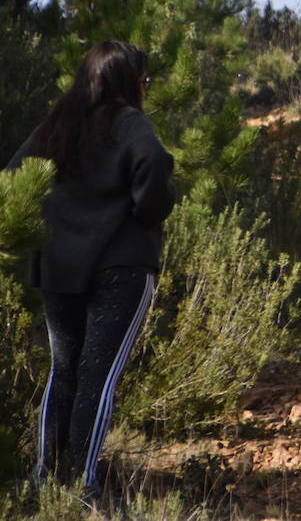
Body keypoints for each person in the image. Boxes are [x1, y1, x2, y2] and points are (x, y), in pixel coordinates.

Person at [6, 41, 175, 500]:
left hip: (59, 264)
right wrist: (148, 211)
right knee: (97, 374)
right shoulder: (130, 122)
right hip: (120, 266)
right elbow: (155, 167)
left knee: (65, 371)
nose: (146, 89)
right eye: (145, 80)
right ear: (127, 82)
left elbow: (15, 176)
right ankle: (82, 485)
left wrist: (47, 224)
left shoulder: (56, 124)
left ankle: (46, 478)